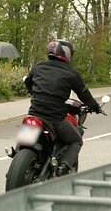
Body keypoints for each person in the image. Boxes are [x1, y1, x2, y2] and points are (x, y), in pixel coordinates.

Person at [24, 39, 101, 176]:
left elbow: (29, 83)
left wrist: (34, 91)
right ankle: (63, 168)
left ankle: (20, 152)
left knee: (25, 140)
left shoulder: (38, 66)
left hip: (33, 115)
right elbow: (83, 94)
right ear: (66, 53)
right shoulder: (71, 73)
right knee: (76, 140)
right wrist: (94, 106)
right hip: (54, 118)